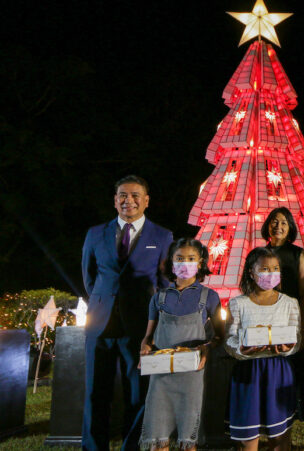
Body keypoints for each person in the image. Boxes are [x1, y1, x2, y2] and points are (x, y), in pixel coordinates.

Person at [81, 175, 173, 451]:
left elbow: (164, 282)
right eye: (122, 194)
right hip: (100, 324)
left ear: (146, 201)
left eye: (135, 195)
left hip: (140, 329)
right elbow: (89, 278)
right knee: (96, 393)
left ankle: (131, 446)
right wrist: (102, 302)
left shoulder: (162, 235)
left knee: (139, 394)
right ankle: (94, 447)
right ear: (114, 200)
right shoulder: (96, 233)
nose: (128, 200)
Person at [139, 238, 223, 451]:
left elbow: (220, 336)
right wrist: (145, 347)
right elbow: (148, 338)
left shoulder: (209, 297)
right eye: (179, 259)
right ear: (171, 262)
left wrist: (207, 347)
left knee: (188, 438)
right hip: (162, 375)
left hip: (191, 376)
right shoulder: (159, 298)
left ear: (201, 262)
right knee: (158, 437)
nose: (185, 264)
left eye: (191, 259)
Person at [224, 247, 301, 450]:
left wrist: (287, 348)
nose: (271, 274)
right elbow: (230, 339)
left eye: (275, 269)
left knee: (280, 438)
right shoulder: (238, 304)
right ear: (252, 271)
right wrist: (241, 349)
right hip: (248, 373)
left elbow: (296, 339)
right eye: (265, 269)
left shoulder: (290, 304)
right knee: (248, 438)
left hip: (278, 373)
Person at [262, 207, 304, 422]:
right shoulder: (260, 254)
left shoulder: (297, 254)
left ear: (290, 227)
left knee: (291, 371)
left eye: (283, 222)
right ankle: (268, 415)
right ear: (268, 225)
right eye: (274, 221)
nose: (278, 226)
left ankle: (290, 414)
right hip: (265, 321)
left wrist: (301, 328)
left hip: (290, 321)